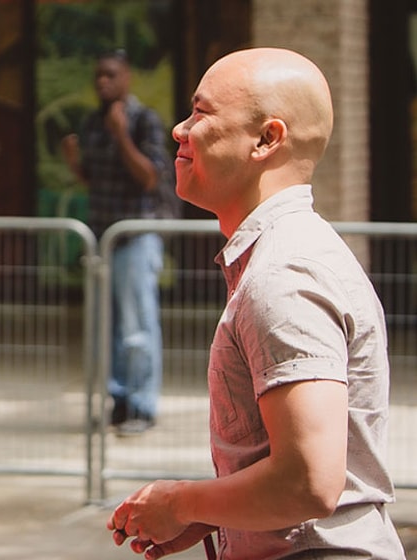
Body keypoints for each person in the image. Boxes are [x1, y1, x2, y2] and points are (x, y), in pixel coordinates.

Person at [106, 47, 406, 559]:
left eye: (201, 113)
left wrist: (181, 502)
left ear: (267, 139)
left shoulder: (285, 274)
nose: (180, 129)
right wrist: (213, 513)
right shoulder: (285, 255)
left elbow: (308, 482)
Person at [61, 49, 178, 436]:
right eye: (98, 75)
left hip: (135, 237)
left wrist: (121, 135)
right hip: (102, 240)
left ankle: (143, 405)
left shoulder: (144, 121)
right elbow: (95, 182)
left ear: (127, 78)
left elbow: (149, 178)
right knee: (107, 328)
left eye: (110, 75)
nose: (102, 82)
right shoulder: (93, 121)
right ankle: (119, 402)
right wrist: (76, 162)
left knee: (136, 327)